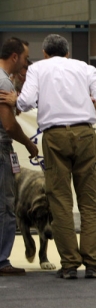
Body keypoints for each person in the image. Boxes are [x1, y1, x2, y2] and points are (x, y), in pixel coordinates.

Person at [1, 34, 96, 279]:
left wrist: (16, 99)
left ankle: (70, 264)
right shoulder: (84, 67)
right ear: (68, 53)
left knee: (60, 202)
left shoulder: (39, 68)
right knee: (90, 203)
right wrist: (87, 113)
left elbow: (26, 102)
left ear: (46, 53)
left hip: (55, 136)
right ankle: (92, 264)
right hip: (85, 134)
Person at [0, 37, 38, 276]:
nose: (25, 63)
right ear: (15, 57)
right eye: (24, 58)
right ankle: (2, 260)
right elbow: (9, 126)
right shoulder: (4, 83)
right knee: (5, 205)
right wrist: (28, 144)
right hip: (1, 149)